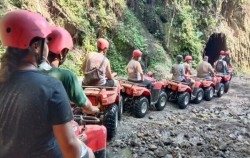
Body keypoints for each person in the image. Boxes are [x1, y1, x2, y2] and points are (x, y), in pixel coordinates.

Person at [0, 10, 94, 158]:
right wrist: (86, 151)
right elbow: (71, 149)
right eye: (46, 42)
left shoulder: (4, 80)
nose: (48, 47)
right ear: (36, 46)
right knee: (88, 152)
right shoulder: (51, 86)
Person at [40, 26, 99, 115]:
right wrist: (95, 109)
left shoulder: (29, 70)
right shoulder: (66, 76)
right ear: (62, 53)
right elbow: (86, 106)